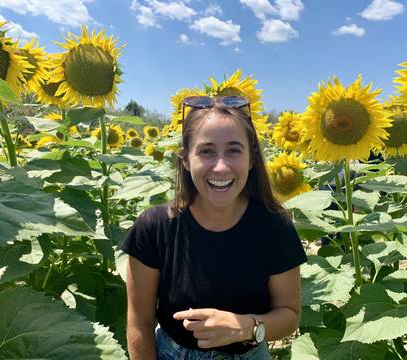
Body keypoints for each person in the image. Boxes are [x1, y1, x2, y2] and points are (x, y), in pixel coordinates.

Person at [121, 95, 308, 360]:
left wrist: (247, 327)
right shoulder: (154, 228)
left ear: (252, 158)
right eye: (206, 151)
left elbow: (289, 316)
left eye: (234, 150)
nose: (220, 167)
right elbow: (139, 322)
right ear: (185, 160)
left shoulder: (275, 227)